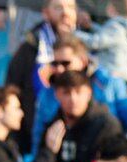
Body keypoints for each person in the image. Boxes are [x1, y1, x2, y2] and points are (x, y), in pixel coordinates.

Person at [36, 70, 122, 162]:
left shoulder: (106, 126)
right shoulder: (53, 128)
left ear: (89, 93)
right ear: (57, 95)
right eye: (67, 93)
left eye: (78, 92)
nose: (73, 99)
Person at [31, 34, 127, 155]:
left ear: (83, 61)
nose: (59, 69)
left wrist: (124, 158)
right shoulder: (47, 95)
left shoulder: (109, 84)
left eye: (65, 63)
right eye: (55, 64)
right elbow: (38, 137)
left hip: (104, 161)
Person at [6, 0, 78, 153]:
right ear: (45, 13)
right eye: (58, 7)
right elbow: (12, 89)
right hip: (36, 139)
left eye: (70, 7)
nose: (65, 13)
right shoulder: (30, 48)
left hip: (77, 138)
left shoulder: (89, 46)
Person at [75, 0, 127, 83]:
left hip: (112, 74)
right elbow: (106, 35)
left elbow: (95, 42)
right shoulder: (126, 26)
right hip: (123, 73)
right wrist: (91, 26)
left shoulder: (116, 26)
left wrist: (73, 33)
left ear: (113, 8)